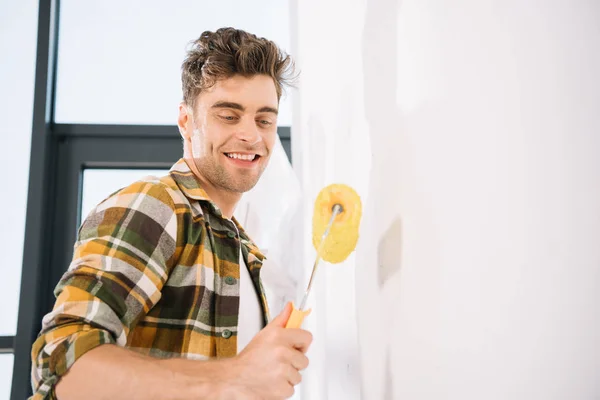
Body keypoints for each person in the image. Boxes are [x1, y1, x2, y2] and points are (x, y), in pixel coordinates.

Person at [30, 27, 312, 400]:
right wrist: (235, 375)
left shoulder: (243, 249)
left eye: (264, 120)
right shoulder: (156, 205)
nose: (251, 135)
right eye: (228, 115)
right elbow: (63, 367)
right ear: (185, 121)